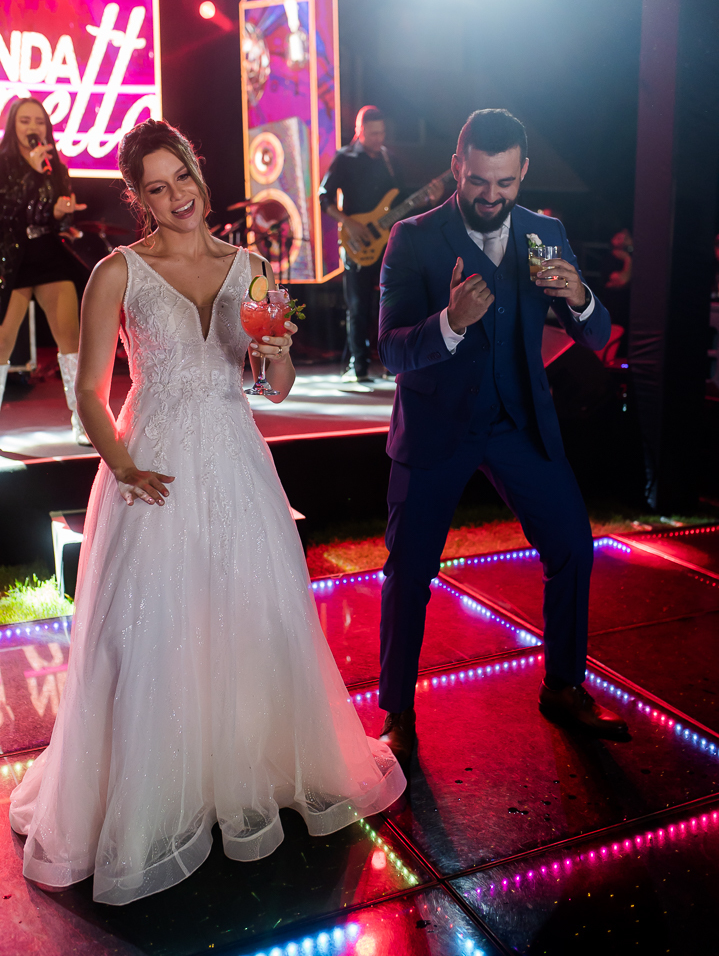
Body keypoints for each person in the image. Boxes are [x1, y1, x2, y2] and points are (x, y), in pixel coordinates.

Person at [9, 119, 405, 904]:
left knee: (251, 616)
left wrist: (277, 353)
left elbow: (275, 386)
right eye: (156, 188)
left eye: (182, 177)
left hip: (232, 458)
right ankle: (157, 789)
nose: (176, 196)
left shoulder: (251, 268)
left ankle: (242, 770)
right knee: (149, 630)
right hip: (149, 465)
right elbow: (88, 390)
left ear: (197, 169)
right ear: (138, 197)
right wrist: (125, 467)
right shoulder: (117, 274)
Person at [376, 108, 628, 767]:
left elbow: (598, 335)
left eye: (505, 182)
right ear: (457, 168)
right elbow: (390, 350)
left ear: (523, 173)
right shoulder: (411, 239)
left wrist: (580, 298)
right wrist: (450, 322)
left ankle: (563, 687)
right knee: (409, 572)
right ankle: (397, 712)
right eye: (479, 181)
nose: (492, 195)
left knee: (572, 547)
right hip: (435, 427)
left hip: (518, 423)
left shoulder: (546, 233)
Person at [319, 105, 444, 382]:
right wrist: (348, 222)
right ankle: (359, 367)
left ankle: (392, 363)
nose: (379, 138)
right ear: (359, 131)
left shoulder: (390, 161)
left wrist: (428, 200)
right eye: (373, 133)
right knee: (358, 306)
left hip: (387, 243)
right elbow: (323, 197)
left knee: (392, 303)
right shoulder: (345, 158)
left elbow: (402, 204)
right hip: (357, 240)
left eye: (382, 132)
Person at [0, 97, 89, 444]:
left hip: (48, 254)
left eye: (38, 121)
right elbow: (8, 211)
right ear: (13, 126)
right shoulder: (4, 165)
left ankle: (82, 420)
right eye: (25, 121)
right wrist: (34, 173)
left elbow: (59, 220)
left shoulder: (56, 168)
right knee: (3, 339)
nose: (33, 127)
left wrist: (62, 213)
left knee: (70, 337)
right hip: (13, 258)